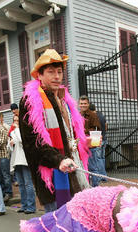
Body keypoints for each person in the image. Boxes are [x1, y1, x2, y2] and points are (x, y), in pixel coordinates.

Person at [18, 49, 90, 213]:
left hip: (73, 170)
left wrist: (83, 143)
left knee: (77, 223)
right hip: (52, 175)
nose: (57, 76)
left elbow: (69, 133)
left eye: (59, 72)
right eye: (51, 72)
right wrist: (58, 160)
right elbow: (33, 143)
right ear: (39, 75)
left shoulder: (63, 98)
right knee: (60, 226)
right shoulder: (30, 101)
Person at [8, 114, 36, 214]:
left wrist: (17, 130)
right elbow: (10, 147)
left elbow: (21, 140)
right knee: (21, 184)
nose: (15, 123)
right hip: (16, 160)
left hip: (24, 160)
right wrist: (11, 141)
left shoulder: (24, 130)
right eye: (14, 121)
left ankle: (31, 206)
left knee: (28, 183)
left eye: (17, 120)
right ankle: (24, 205)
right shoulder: (14, 132)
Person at [78, 95, 103, 187]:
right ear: (78, 104)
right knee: (84, 167)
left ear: (88, 104)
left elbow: (97, 129)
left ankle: (96, 188)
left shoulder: (93, 115)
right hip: (81, 145)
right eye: (81, 103)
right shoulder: (77, 114)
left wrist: (83, 131)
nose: (83, 105)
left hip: (91, 145)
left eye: (85, 103)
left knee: (93, 168)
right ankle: (87, 187)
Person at [89, 102, 108, 184]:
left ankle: (101, 176)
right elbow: (106, 126)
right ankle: (104, 175)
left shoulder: (93, 117)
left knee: (98, 159)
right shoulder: (101, 115)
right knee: (102, 158)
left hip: (97, 139)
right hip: (104, 137)